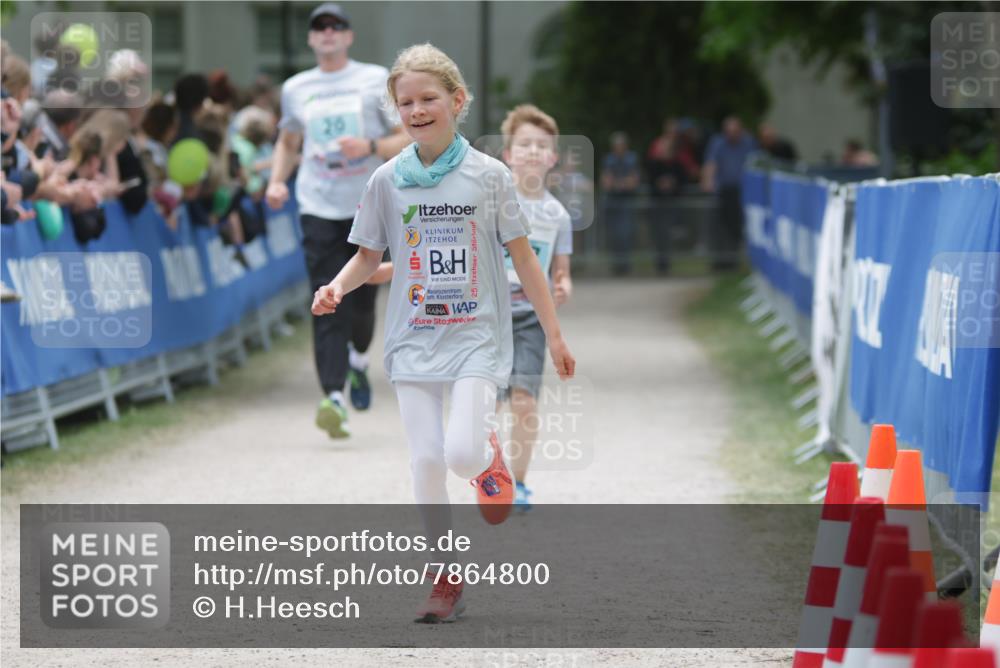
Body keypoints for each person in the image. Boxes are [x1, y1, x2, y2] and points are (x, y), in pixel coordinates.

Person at [311, 43, 575, 623]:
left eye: (429, 98)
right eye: (405, 102)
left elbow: (527, 261)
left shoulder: (490, 176)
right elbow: (367, 255)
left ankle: (487, 459)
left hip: (477, 337)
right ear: (396, 111)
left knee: (460, 454)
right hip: (411, 340)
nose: (417, 109)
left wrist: (554, 335)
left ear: (457, 101)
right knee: (427, 460)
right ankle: (445, 578)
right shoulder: (386, 180)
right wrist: (337, 287)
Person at [266, 2, 409, 438]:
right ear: (311, 39)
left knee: (363, 299)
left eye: (336, 26)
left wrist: (367, 146)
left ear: (348, 36)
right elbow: (289, 141)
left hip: (368, 203)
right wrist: (276, 182)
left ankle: (359, 359)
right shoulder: (295, 88)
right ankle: (333, 396)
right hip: (317, 204)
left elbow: (404, 135)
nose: (327, 33)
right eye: (319, 27)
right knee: (326, 296)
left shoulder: (372, 79)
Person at [497, 104, 573, 512]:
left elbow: (562, 271)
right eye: (523, 144)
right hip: (485, 318)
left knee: (524, 403)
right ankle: (487, 473)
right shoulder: (490, 200)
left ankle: (518, 482)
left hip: (529, 319)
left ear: (552, 158)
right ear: (508, 154)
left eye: (540, 146)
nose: (530, 151)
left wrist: (562, 286)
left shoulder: (557, 215)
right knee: (486, 405)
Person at [701, 115, 756, 270]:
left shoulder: (748, 143)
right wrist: (708, 181)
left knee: (736, 227)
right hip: (723, 191)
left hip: (741, 192)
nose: (731, 135)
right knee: (719, 227)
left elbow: (754, 164)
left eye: (735, 131)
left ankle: (733, 259)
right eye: (728, 132)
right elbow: (711, 163)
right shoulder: (718, 143)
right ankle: (720, 260)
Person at [600, 131, 640, 276]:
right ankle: (616, 264)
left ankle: (625, 264)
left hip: (626, 201)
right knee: (614, 234)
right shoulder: (609, 160)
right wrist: (621, 184)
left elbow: (633, 181)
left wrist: (618, 184)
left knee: (626, 233)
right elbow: (606, 182)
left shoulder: (631, 159)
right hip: (612, 202)